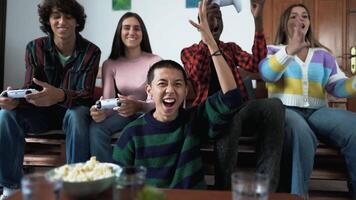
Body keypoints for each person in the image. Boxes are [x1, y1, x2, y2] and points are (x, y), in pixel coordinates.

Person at [113, 0, 243, 189]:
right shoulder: (131, 134)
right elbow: (118, 187)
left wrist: (212, 45)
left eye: (178, 84)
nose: (170, 90)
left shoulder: (194, 121)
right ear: (149, 90)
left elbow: (232, 97)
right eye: (162, 84)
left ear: (186, 91)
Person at [0, 0, 101, 198]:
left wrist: (60, 95)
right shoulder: (34, 47)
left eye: (68, 16)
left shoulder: (91, 52)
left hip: (72, 113)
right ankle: (11, 186)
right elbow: (29, 87)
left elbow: (86, 95)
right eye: (56, 16)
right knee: (5, 115)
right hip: (40, 113)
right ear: (48, 21)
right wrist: (14, 99)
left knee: (78, 114)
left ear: (77, 22)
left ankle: (76, 184)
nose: (62, 21)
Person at [181, 0, 285, 191]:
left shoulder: (231, 48)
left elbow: (257, 66)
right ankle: (224, 189)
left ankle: (267, 189)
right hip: (206, 117)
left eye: (219, 17)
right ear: (200, 23)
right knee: (230, 110)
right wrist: (209, 41)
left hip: (238, 112)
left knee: (274, 106)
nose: (215, 22)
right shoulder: (189, 52)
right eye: (210, 17)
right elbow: (197, 72)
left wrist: (258, 20)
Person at [259, 3, 356, 198]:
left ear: (309, 23)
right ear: (285, 23)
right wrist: (289, 51)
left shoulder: (323, 55)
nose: (299, 19)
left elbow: (337, 86)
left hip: (318, 112)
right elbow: (267, 74)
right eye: (293, 16)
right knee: (300, 132)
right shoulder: (273, 50)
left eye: (304, 16)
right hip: (285, 111)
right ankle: (297, 195)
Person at [89, 12, 161, 163]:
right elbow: (108, 103)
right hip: (123, 113)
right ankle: (105, 175)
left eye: (137, 28)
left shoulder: (155, 61)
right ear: (119, 33)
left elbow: (157, 104)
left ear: (143, 33)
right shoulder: (110, 64)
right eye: (126, 28)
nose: (131, 32)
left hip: (146, 113)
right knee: (96, 129)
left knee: (133, 130)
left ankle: (138, 178)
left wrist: (138, 106)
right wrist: (101, 112)